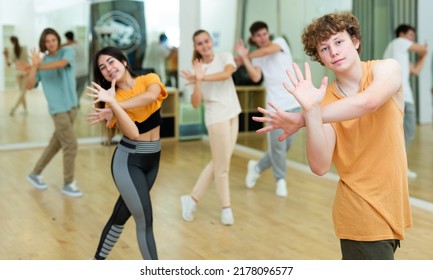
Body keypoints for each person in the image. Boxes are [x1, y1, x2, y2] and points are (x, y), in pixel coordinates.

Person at [254, 12, 412, 260]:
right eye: (324, 48)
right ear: (320, 58)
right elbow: (319, 165)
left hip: (392, 206)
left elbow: (369, 101)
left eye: (339, 42)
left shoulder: (387, 69)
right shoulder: (323, 101)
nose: (334, 52)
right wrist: (310, 111)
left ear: (356, 41)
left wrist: (304, 119)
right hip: (359, 210)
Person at [86, 46, 167, 259]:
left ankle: (96, 262)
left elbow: (151, 96)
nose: (108, 69)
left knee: (121, 214)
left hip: (153, 159)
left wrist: (115, 106)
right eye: (102, 68)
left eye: (111, 62)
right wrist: (113, 104)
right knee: (145, 221)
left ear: (123, 61)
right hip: (129, 162)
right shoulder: (111, 99)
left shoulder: (149, 78)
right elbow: (134, 133)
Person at [179, 29, 241, 226]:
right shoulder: (195, 70)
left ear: (211, 41)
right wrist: (197, 79)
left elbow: (227, 73)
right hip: (217, 119)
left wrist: (201, 78)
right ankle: (226, 208)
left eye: (206, 41)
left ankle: (192, 199)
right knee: (222, 167)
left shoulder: (224, 57)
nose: (204, 45)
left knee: (219, 162)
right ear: (195, 47)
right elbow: (196, 103)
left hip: (233, 113)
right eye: (200, 43)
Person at [235, 21, 301, 197]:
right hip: (274, 108)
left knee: (285, 146)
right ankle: (280, 180)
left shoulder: (280, 43)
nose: (262, 38)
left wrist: (245, 56)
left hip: (294, 104)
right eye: (258, 36)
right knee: (278, 147)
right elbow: (256, 77)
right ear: (253, 38)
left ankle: (256, 167)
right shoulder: (256, 58)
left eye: (264, 34)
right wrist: (247, 60)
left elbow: (267, 50)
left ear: (268, 33)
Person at [25, 28, 82, 197]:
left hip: (72, 107)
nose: (50, 43)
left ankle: (35, 173)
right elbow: (29, 85)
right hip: (58, 110)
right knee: (71, 145)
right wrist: (34, 68)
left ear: (58, 40)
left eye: (53, 40)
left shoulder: (67, 51)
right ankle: (68, 183)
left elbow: (61, 64)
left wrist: (37, 65)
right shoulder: (40, 62)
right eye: (47, 41)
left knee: (56, 143)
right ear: (43, 44)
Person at [383, 24, 428, 179]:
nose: (412, 39)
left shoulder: (397, 53)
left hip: (391, 96)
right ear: (401, 34)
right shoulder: (399, 42)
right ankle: (399, 168)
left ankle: (393, 167)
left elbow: (415, 71)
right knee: (407, 133)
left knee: (398, 134)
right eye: (410, 35)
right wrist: (425, 51)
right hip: (403, 98)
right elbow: (422, 49)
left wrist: (425, 55)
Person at [3, 36, 29, 116]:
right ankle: (23, 109)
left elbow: (9, 64)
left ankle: (16, 108)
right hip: (24, 72)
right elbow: (27, 61)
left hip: (19, 73)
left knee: (22, 92)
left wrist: (6, 56)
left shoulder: (12, 50)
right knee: (23, 92)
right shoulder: (24, 48)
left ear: (11, 42)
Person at [62, 31, 88, 107]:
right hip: (84, 71)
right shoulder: (80, 44)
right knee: (80, 89)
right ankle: (76, 103)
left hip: (76, 72)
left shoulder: (70, 48)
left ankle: (74, 104)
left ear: (67, 38)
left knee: (73, 90)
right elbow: (71, 42)